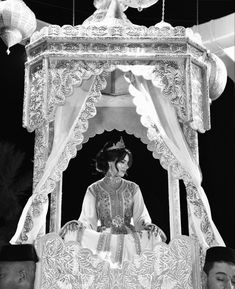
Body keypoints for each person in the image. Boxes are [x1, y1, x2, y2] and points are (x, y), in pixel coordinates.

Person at [60, 137, 166, 267]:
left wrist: (147, 225)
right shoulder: (94, 189)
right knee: (74, 233)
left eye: (127, 163)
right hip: (105, 238)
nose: (126, 166)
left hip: (129, 238)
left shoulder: (133, 188)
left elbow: (140, 217)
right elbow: (88, 220)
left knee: (153, 236)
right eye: (122, 162)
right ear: (111, 162)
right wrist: (78, 225)